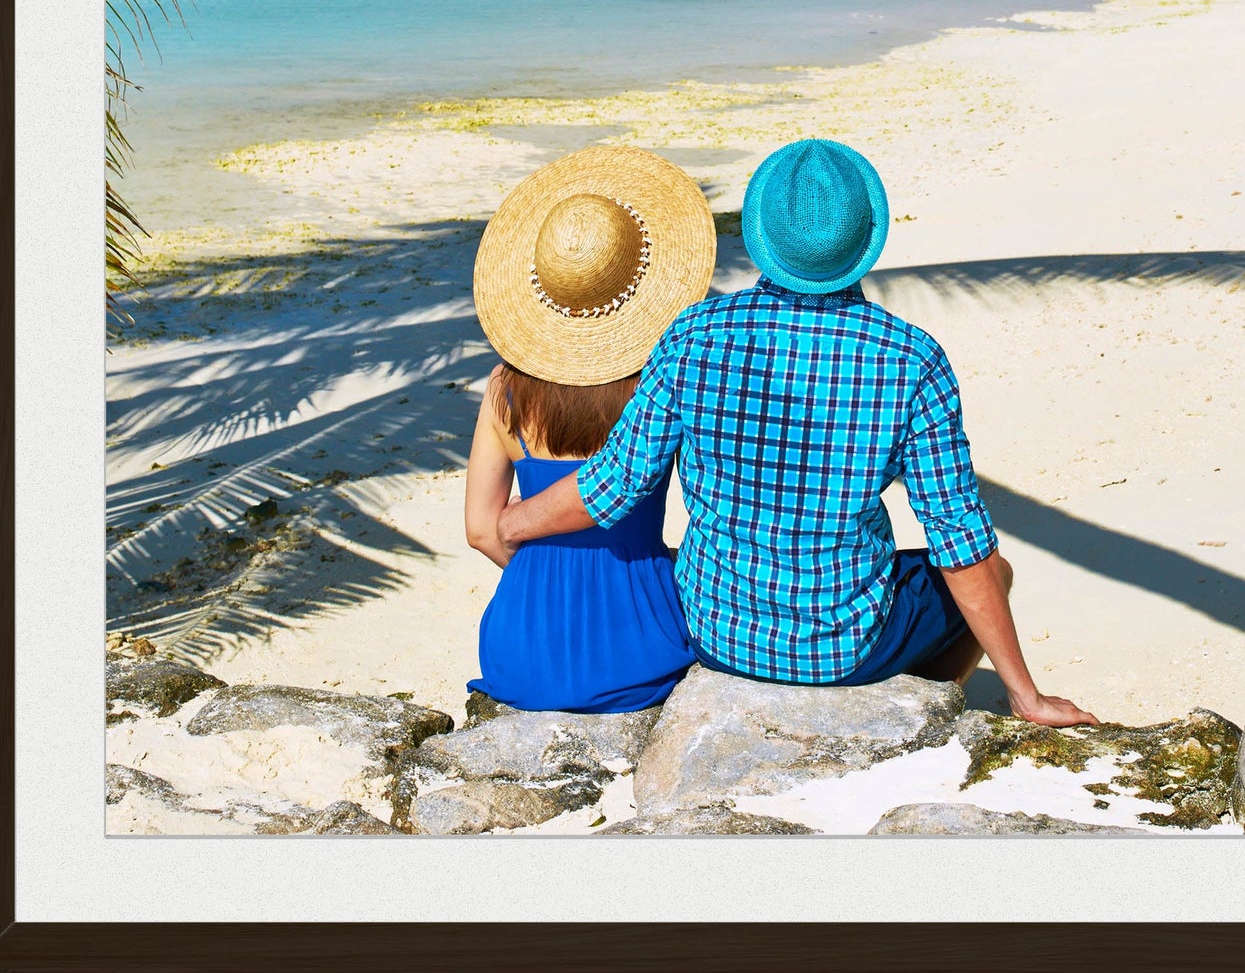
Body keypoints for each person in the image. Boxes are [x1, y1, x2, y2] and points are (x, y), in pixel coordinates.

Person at [494, 138, 1097, 728]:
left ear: (762, 241)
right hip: (844, 648)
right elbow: (959, 541)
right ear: (865, 242)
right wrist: (1026, 694)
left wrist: (512, 523)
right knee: (997, 574)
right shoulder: (912, 359)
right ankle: (925, 710)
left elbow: (614, 483)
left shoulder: (693, 334)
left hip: (716, 631)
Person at [462, 145, 718, 713]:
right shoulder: (659, 381)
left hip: (520, 648)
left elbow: (482, 531)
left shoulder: (505, 390)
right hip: (640, 640)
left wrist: (546, 575)